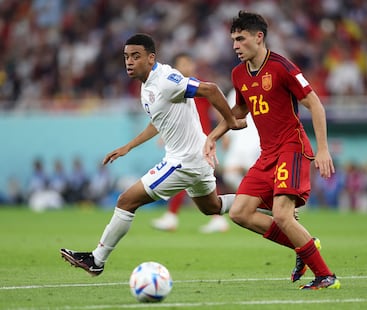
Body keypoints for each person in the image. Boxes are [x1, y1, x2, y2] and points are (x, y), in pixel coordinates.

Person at [60, 33, 245, 276]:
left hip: (183, 160)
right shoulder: (147, 87)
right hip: (196, 157)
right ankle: (267, 203)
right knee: (212, 207)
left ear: (150, 58)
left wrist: (230, 121)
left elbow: (211, 89)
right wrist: (129, 146)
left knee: (126, 201)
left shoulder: (166, 79)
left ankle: (97, 259)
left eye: (135, 56)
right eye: (126, 57)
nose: (129, 62)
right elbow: (158, 122)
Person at [204, 11, 340, 290]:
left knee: (281, 214)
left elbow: (315, 104)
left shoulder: (283, 67)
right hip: (267, 154)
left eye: (240, 39)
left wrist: (323, 150)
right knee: (239, 212)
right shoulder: (238, 74)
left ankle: (325, 275)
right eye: (233, 40)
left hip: (292, 147)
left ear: (259, 37)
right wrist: (213, 135)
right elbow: (239, 110)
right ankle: (304, 246)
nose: (235, 46)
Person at [151, 52, 229, 233]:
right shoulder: (173, 88)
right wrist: (164, 135)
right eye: (182, 64)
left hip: (201, 139)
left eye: (188, 63)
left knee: (187, 175)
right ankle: (215, 218)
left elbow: (217, 108)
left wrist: (224, 134)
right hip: (184, 140)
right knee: (192, 177)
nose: (186, 67)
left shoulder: (200, 86)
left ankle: (172, 216)